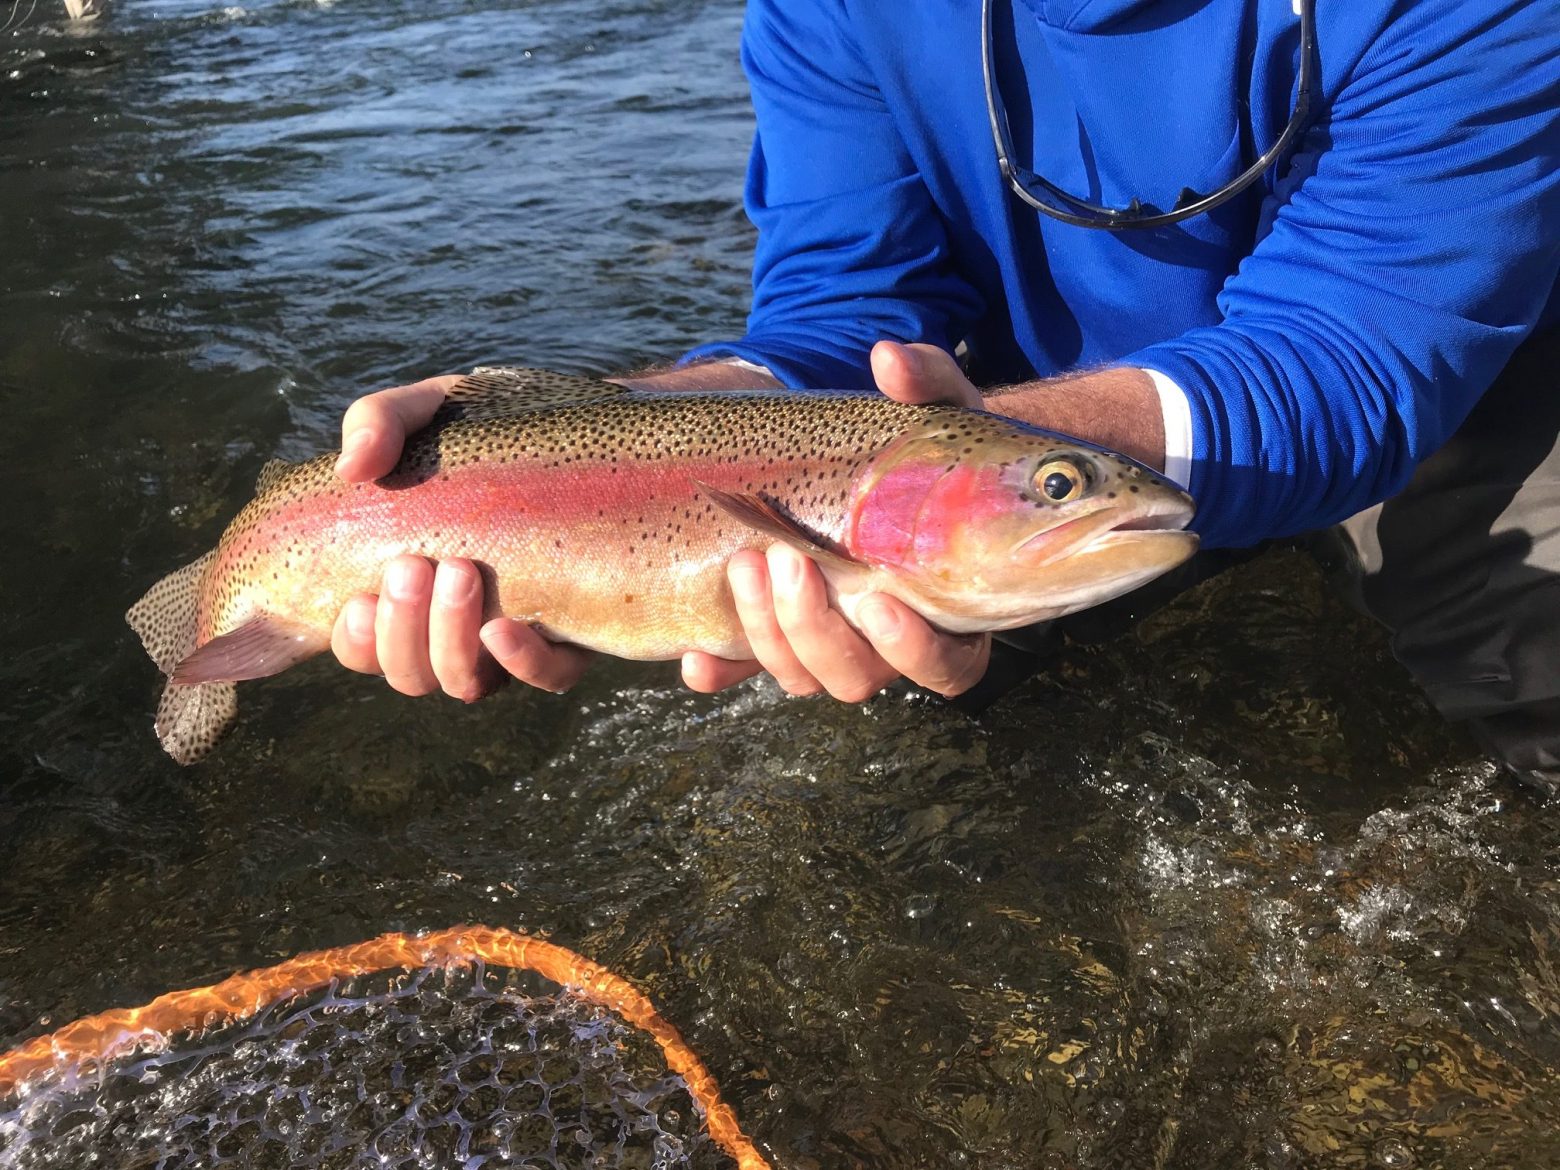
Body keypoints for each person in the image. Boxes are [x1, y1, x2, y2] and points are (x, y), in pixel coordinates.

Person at [328, 0, 1560, 783]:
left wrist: (966, 461)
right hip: (994, 416)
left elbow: (1352, 360)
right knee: (942, 749)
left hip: (1456, 379)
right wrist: (572, 439)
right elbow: (836, 314)